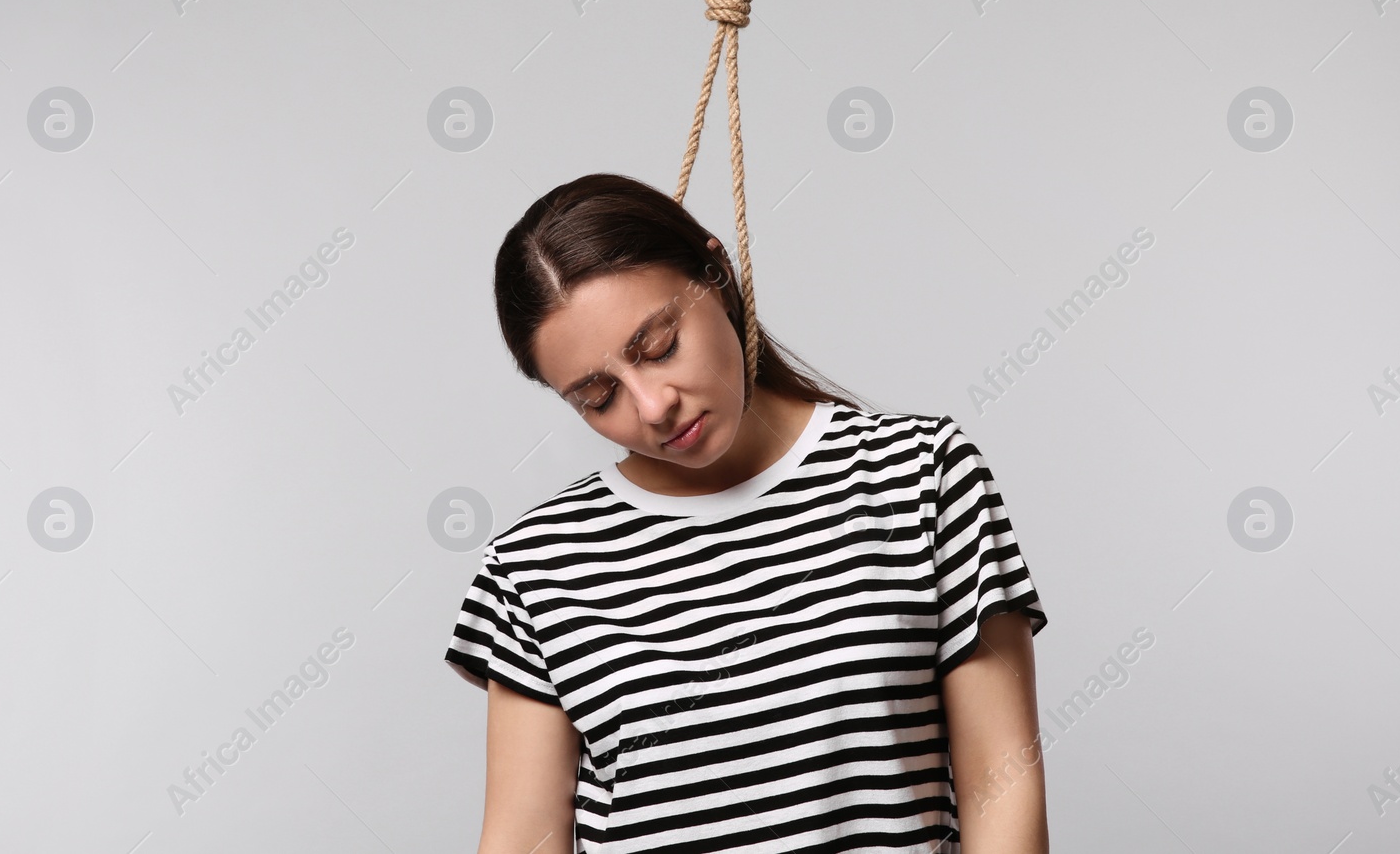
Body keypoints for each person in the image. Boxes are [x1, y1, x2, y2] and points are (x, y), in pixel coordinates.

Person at [445, 172, 1050, 853]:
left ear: (719, 274)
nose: (652, 405)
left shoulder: (919, 476)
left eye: (660, 346)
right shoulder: (535, 567)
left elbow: (1002, 790)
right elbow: (523, 838)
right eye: (597, 394)